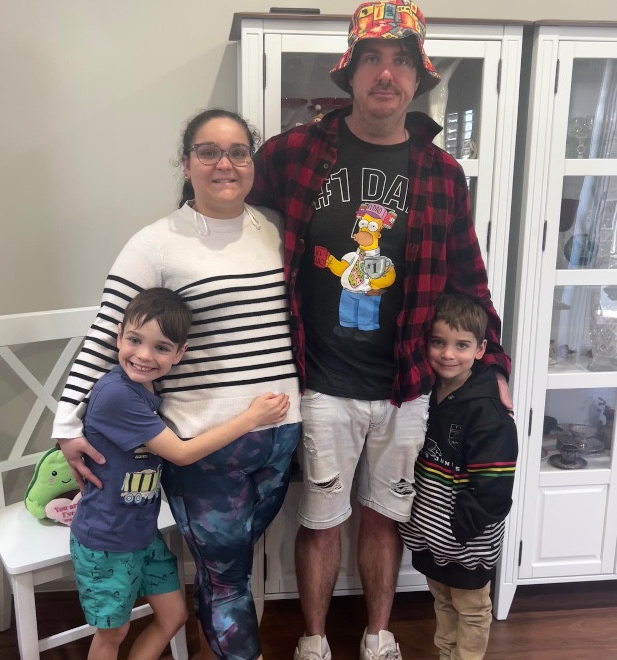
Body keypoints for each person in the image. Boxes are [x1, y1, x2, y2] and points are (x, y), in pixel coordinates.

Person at [246, 1, 513, 658]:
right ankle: (313, 640)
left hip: (405, 385)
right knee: (319, 520)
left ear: (418, 78)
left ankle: (377, 635)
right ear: (350, 72)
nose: (385, 73)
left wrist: (495, 366)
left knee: (385, 514)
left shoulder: (441, 174)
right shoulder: (293, 153)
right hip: (319, 379)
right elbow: (235, 222)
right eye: (372, 58)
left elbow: (468, 277)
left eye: (400, 60)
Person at [53, 109, 302, 660]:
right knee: (227, 577)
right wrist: (67, 424)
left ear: (252, 162)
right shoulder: (156, 244)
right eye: (208, 152)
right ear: (186, 164)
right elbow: (107, 334)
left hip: (280, 436)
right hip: (204, 447)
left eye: (238, 151)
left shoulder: (274, 230)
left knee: (231, 569)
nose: (224, 163)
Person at [70, 287, 290, 660]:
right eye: (135, 340)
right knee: (113, 633)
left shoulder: (146, 390)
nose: (144, 355)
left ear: (179, 353)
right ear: (118, 336)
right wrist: (251, 418)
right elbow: (182, 453)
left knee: (173, 616)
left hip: (141, 534)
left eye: (160, 347)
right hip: (106, 540)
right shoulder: (116, 395)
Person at [399, 294, 518, 659]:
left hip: (467, 541)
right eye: (439, 342)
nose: (448, 354)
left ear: (481, 350)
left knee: (471, 608)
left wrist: (461, 531)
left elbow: (494, 488)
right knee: (443, 601)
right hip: (432, 537)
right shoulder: (426, 393)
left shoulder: (487, 411)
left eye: (461, 345)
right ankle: (446, 654)